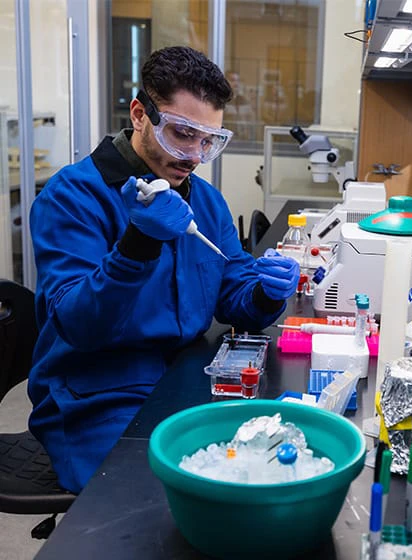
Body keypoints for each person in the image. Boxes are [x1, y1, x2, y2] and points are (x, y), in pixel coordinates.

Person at [28, 46, 300, 494]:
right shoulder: (72, 197)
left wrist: (265, 292)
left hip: (185, 377)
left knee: (249, 478)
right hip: (95, 396)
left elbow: (234, 292)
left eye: (207, 141)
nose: (194, 155)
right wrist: (136, 245)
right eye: (181, 133)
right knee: (148, 506)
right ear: (140, 114)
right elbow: (78, 324)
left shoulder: (204, 201)